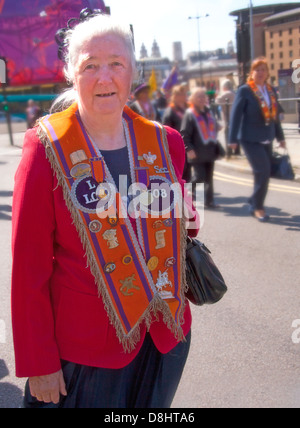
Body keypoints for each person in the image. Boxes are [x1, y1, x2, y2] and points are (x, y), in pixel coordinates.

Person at [11, 10, 199, 409]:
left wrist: (185, 217)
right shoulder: (44, 149)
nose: (104, 77)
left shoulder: (166, 143)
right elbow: (29, 269)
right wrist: (39, 362)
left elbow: (182, 231)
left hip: (165, 337)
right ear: (71, 74)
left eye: (116, 64)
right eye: (90, 65)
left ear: (132, 73)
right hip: (86, 349)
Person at [229, 57, 286, 222]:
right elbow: (235, 116)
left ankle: (254, 200)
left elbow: (274, 116)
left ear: (267, 73)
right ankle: (257, 207)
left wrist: (280, 137)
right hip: (250, 138)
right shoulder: (245, 90)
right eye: (257, 69)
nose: (261, 73)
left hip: (267, 137)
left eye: (264, 69)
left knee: (262, 173)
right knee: (263, 171)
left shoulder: (270, 90)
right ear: (251, 73)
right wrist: (232, 139)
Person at [181, 87, 222, 208]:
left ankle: (209, 201)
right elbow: (184, 133)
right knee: (200, 176)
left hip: (210, 150)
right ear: (192, 99)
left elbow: (212, 126)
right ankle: (186, 192)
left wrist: (217, 126)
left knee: (209, 178)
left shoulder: (208, 111)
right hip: (197, 151)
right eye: (198, 96)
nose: (201, 98)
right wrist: (188, 148)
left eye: (203, 96)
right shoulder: (190, 114)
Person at [215, 79, 237, 156]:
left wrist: (219, 94)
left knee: (227, 132)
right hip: (234, 116)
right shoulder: (234, 93)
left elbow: (217, 101)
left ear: (224, 87)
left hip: (228, 116)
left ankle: (229, 151)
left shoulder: (226, 94)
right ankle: (236, 150)